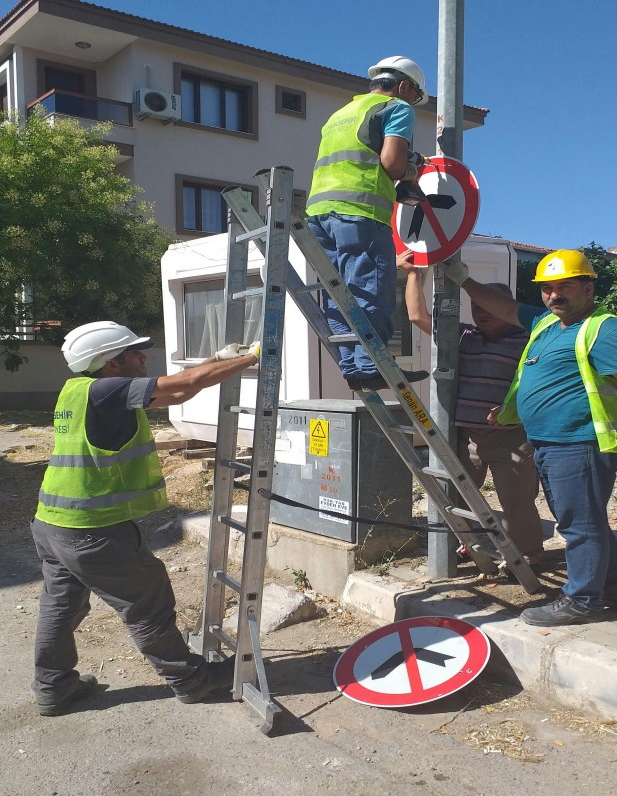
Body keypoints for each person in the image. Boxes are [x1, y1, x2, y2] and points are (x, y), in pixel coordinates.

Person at [31, 320, 260, 715]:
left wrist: (218, 360)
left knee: (61, 605)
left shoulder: (82, 390)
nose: (144, 356)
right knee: (146, 600)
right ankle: (191, 680)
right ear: (110, 364)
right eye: (134, 352)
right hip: (92, 529)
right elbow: (180, 384)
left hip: (52, 523)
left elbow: (182, 388)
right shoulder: (107, 390)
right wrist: (255, 357)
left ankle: (54, 687)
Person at [443, 250, 617, 626]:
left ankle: (582, 600)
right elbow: (505, 307)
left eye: (564, 287)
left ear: (588, 289)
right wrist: (464, 280)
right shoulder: (545, 324)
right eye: (548, 288)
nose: (554, 295)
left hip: (580, 443)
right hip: (550, 443)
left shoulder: (607, 329)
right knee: (587, 521)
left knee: (578, 525)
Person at [398, 252, 544, 567]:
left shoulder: (529, 340)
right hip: (468, 437)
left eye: (489, 306)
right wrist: (413, 274)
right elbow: (417, 316)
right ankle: (464, 546)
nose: (481, 312)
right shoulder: (463, 335)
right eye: (476, 306)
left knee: (517, 503)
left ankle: (529, 555)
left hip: (512, 438)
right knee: (455, 498)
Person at [306, 56, 431, 392]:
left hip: (319, 212)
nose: (410, 102)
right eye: (412, 95)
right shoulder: (396, 108)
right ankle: (373, 367)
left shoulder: (341, 113)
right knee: (370, 290)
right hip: (360, 211)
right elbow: (391, 163)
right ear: (404, 86)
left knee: (337, 295)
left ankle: (353, 367)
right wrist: (411, 169)